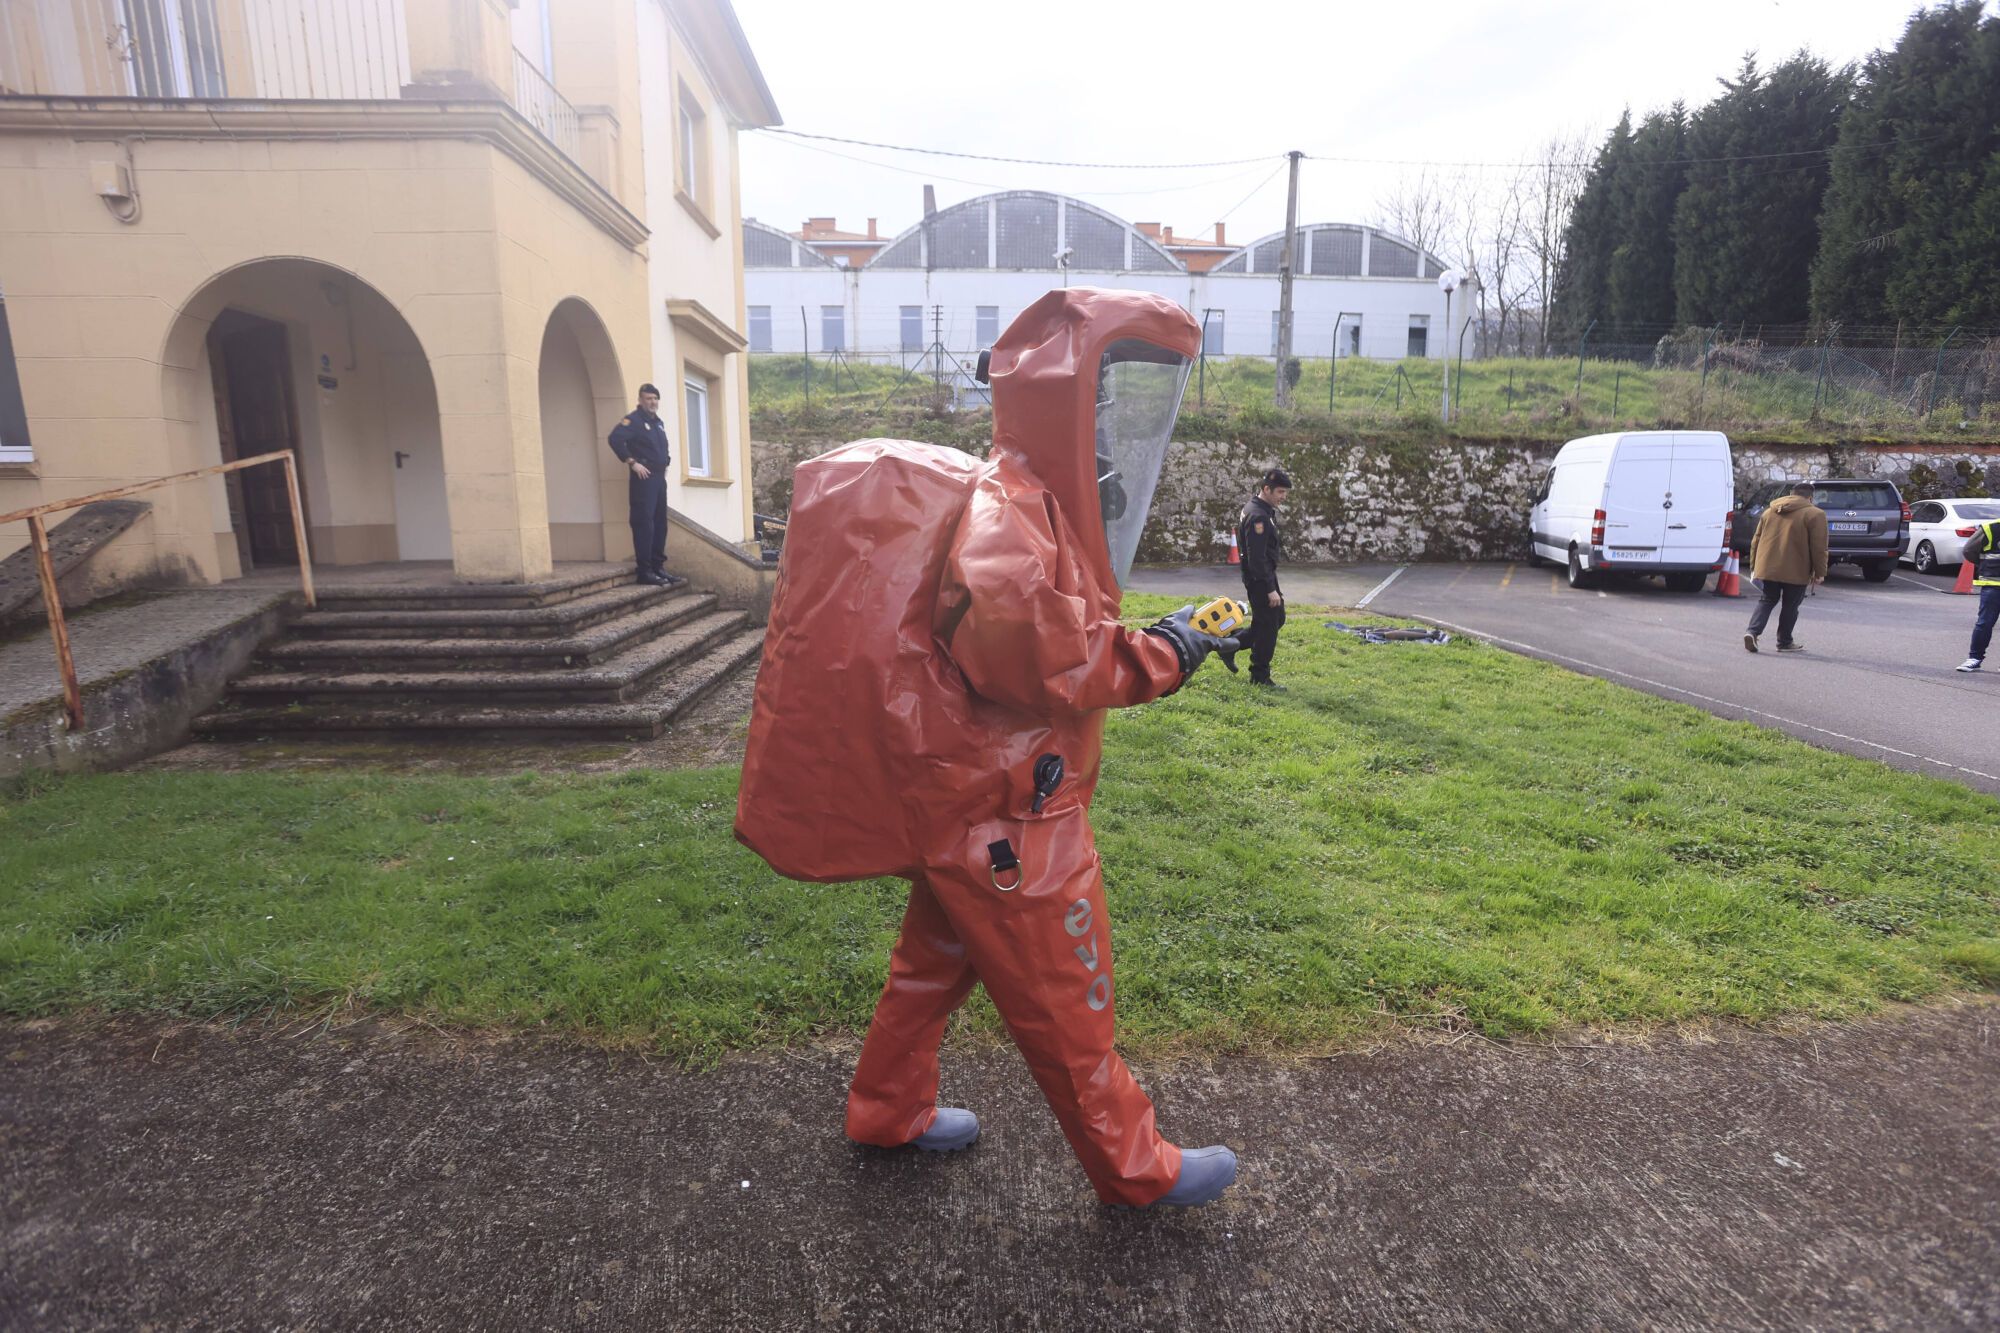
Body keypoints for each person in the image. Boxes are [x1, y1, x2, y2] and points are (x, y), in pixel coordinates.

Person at [734, 288, 1242, 1208]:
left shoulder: (1023, 498)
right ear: (1068, 399)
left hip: (965, 801)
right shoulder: (1013, 512)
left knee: (930, 966)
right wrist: (1170, 648)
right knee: (1069, 999)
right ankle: (1138, 1169)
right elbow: (1048, 656)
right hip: (1009, 811)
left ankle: (885, 1108)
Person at [1743, 482, 1827, 654]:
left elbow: (1755, 541)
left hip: (1767, 567)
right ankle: (1784, 642)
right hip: (1797, 568)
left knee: (1767, 600)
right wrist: (1820, 572)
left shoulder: (1769, 511)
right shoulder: (1815, 514)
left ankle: (1752, 632)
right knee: (1791, 605)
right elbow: (1819, 546)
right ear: (1810, 498)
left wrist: (1754, 567)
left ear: (1790, 494)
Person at [607, 383, 675, 586]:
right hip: (644, 479)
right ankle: (645, 571)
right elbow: (615, 439)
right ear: (640, 400)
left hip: (658, 478)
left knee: (660, 524)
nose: (652, 402)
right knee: (644, 524)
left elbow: (662, 448)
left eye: (655, 398)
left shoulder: (657, 422)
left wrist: (666, 462)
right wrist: (632, 462)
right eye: (648, 399)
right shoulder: (634, 421)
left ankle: (657, 567)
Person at [1237, 468, 1291, 687]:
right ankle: (1259, 676)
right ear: (1265, 489)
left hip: (1264, 575)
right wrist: (1270, 588)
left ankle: (1230, 645)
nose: (1283, 497)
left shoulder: (1261, 509)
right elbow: (1256, 558)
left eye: (1285, 492)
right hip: (1260, 579)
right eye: (1280, 492)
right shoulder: (1258, 515)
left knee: (1274, 620)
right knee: (1268, 625)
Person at [1957, 516, 2000, 672]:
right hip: (1993, 584)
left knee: (1984, 623)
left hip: (1992, 586)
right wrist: (1984, 565)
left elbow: (1969, 551)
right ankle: (1974, 657)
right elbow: (1969, 551)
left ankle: (1974, 659)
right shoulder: (1991, 528)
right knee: (1985, 623)